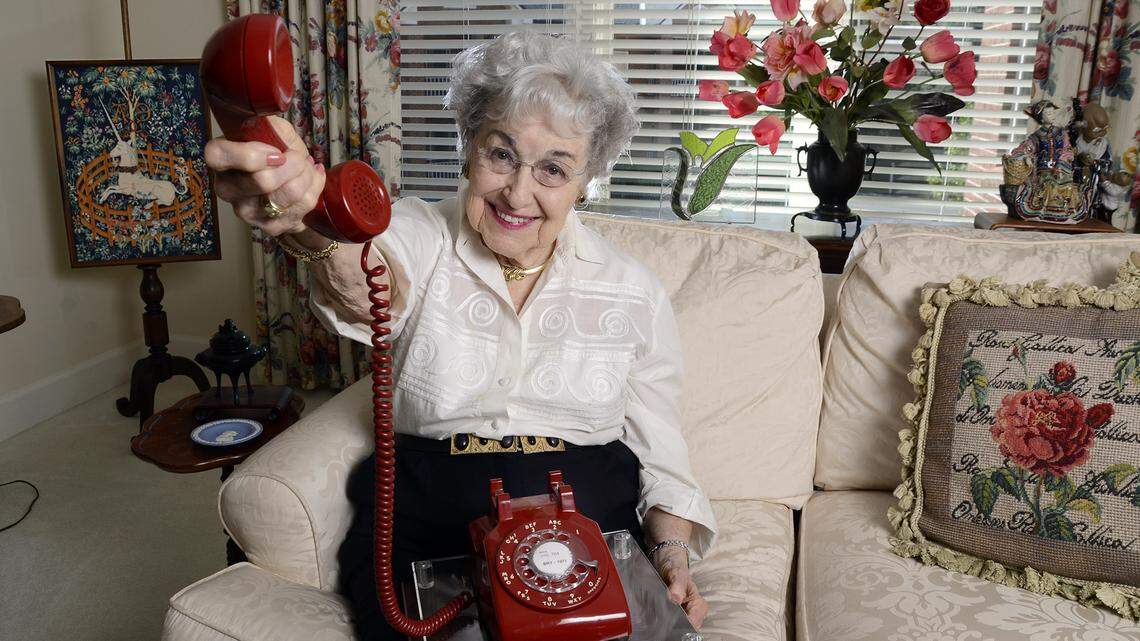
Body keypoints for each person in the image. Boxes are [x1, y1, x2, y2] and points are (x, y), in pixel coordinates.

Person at [204, 31, 716, 639]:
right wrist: (311, 222)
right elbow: (366, 274)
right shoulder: (418, 233)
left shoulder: (634, 290)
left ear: (587, 180)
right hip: (429, 516)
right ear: (468, 146)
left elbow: (660, 449)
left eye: (553, 169)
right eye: (501, 154)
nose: (518, 192)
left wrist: (672, 560)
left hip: (588, 528)